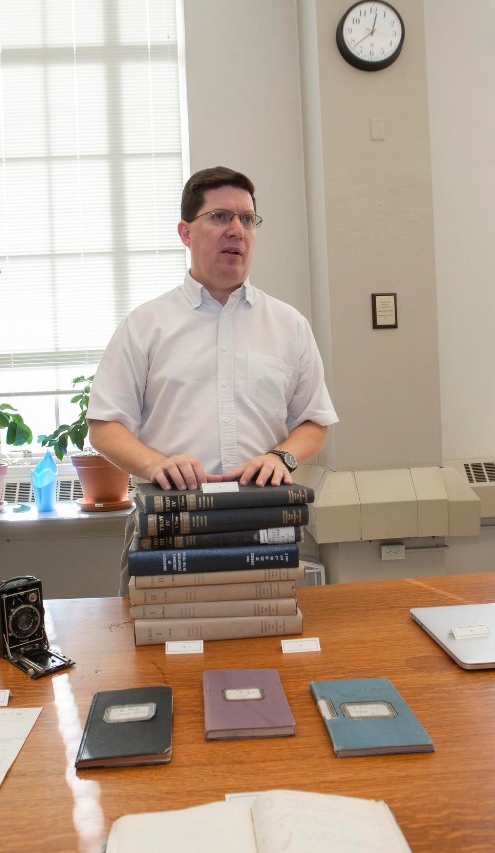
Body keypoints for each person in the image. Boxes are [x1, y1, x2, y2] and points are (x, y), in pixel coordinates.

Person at [88, 167, 338, 588]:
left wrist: (282, 458)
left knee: (272, 644)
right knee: (158, 653)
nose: (236, 230)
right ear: (185, 233)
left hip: (264, 523)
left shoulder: (288, 325)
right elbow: (104, 425)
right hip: (168, 523)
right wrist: (158, 464)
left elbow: (314, 421)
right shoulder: (146, 325)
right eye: (220, 217)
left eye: (247, 219)